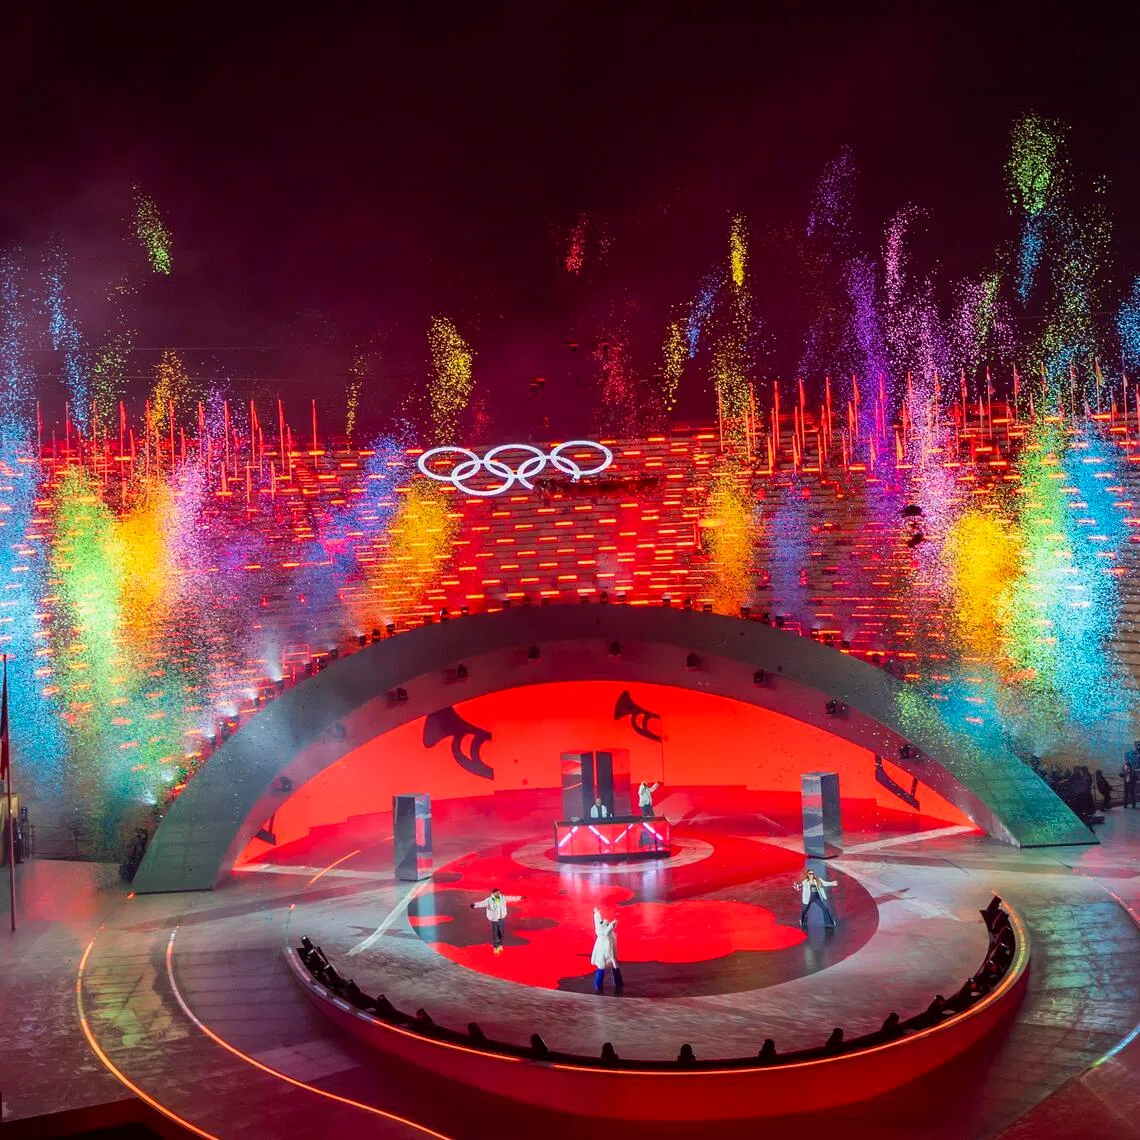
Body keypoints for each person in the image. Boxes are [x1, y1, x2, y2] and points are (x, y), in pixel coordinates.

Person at [470, 888, 525, 955]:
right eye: (496, 892)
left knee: (501, 933)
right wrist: (475, 905)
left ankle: (500, 945)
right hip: (494, 919)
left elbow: (511, 898)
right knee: (495, 933)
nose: (498, 893)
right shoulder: (489, 900)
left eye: (499, 892)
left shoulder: (503, 898)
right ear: (493, 893)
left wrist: (520, 898)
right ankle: (496, 948)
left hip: (501, 918)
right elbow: (482, 903)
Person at [591, 907, 622, 992]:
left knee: (612, 967)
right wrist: (613, 923)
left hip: (608, 953)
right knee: (605, 967)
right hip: (604, 954)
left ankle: (617, 983)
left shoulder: (604, 932)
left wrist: (597, 913)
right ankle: (599, 984)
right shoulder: (603, 932)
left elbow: (599, 922)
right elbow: (606, 930)